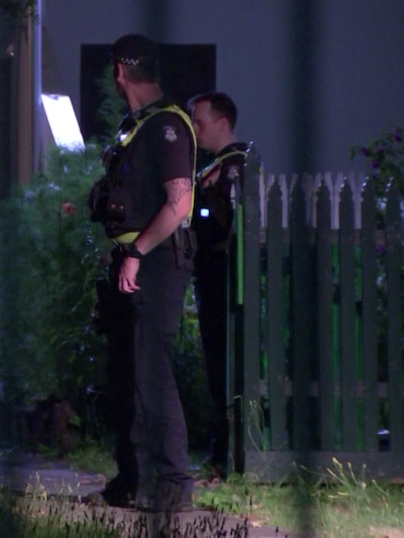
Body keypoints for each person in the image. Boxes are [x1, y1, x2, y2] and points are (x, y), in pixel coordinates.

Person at [86, 34, 197, 511]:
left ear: (119, 73)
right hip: (131, 261)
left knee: (151, 372)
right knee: (128, 374)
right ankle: (132, 481)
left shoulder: (166, 125)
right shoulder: (138, 126)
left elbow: (180, 202)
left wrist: (137, 252)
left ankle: (173, 485)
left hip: (156, 263)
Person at [185, 92, 250, 478]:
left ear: (222, 122)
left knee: (226, 369)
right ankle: (220, 451)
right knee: (216, 369)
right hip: (212, 282)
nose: (195, 129)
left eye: (200, 121)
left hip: (227, 283)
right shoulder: (216, 167)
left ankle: (226, 454)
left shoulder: (236, 167)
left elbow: (223, 224)